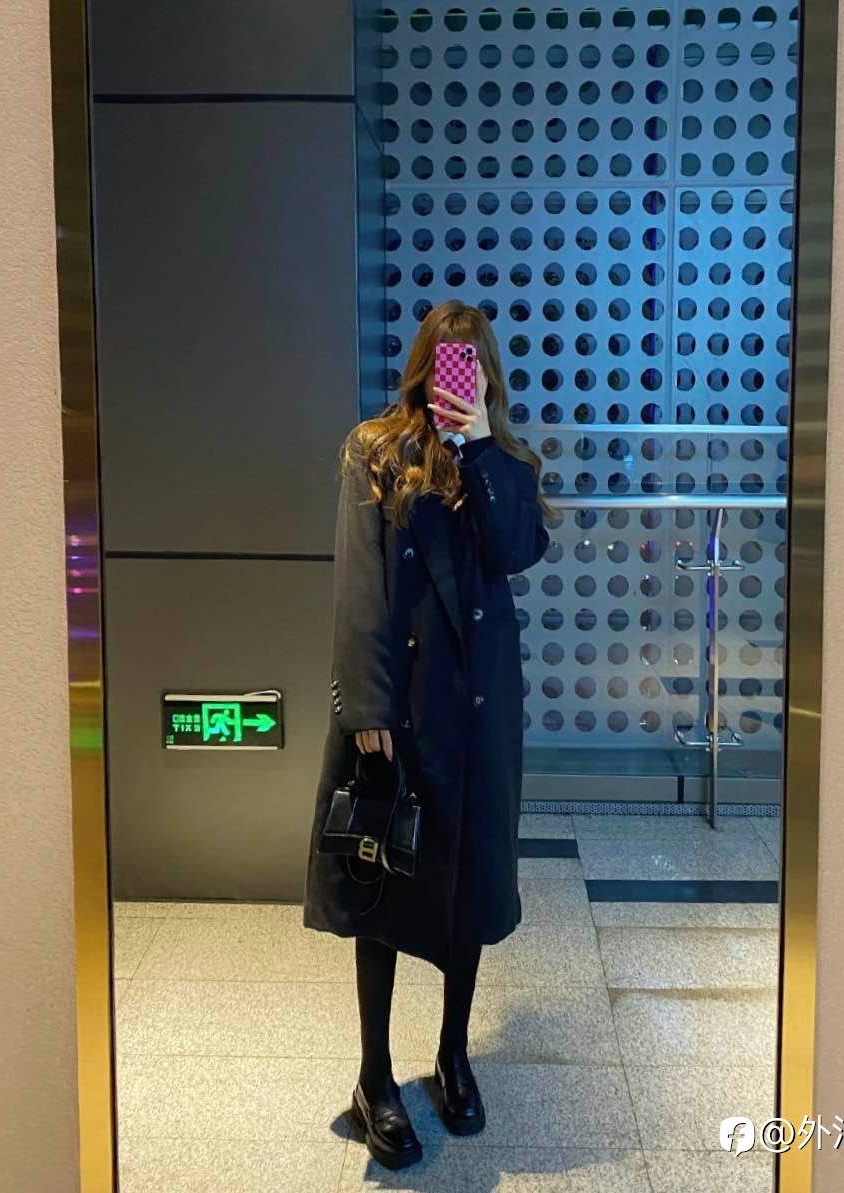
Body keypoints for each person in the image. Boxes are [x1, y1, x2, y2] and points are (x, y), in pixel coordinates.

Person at [302, 299, 553, 1168]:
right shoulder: (373, 448)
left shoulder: (505, 459)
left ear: (485, 371)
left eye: (470, 359)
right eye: (446, 357)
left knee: (469, 887)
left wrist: (478, 443)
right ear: (422, 363)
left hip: (479, 708)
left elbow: (514, 550)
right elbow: (359, 582)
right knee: (383, 883)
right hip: (401, 704)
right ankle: (374, 1074)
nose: (457, 372)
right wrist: (367, 709)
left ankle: (452, 1054)